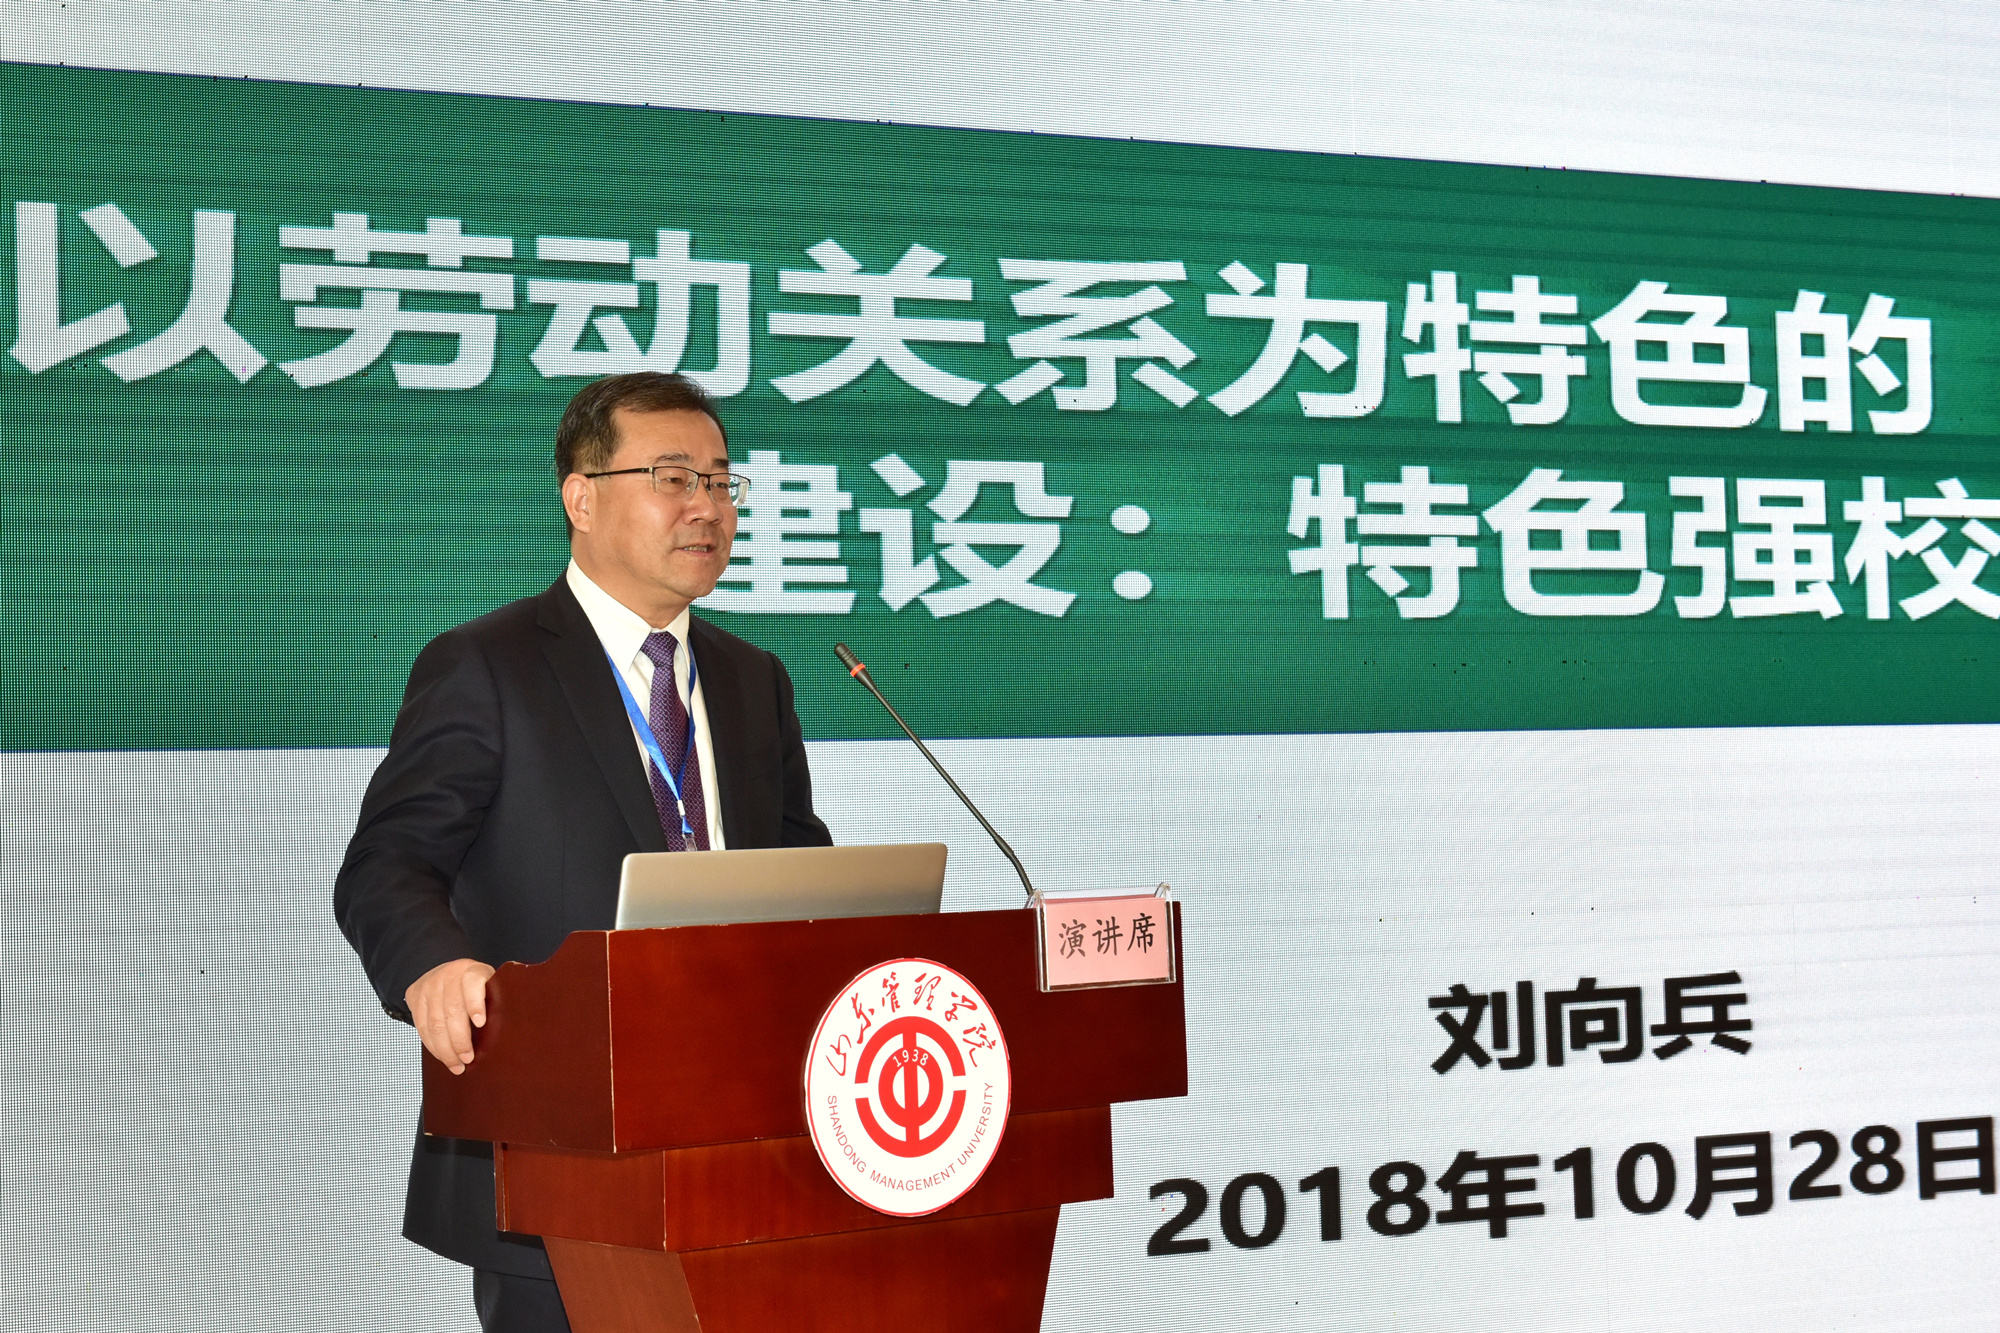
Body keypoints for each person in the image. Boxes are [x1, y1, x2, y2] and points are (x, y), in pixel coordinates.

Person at [334, 372, 832, 1333]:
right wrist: (433, 965)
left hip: (743, 1142)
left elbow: (800, 876)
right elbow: (387, 862)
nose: (706, 507)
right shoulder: (488, 665)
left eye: (721, 481)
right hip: (558, 1149)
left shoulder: (752, 680)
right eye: (673, 478)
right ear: (582, 497)